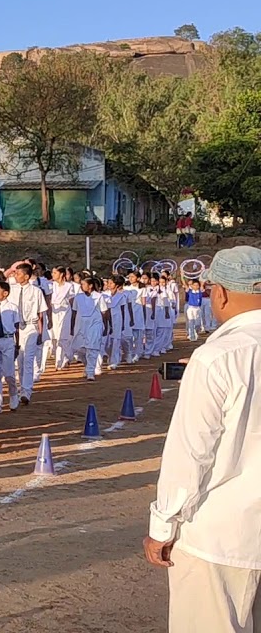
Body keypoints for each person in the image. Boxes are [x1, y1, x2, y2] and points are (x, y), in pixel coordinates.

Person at [145, 245, 261, 632]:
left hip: (220, 535)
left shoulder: (217, 358)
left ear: (221, 293)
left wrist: (162, 525)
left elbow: (190, 454)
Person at [8, 262, 47, 409]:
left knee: (29, 359)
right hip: (16, 328)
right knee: (20, 359)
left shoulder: (36, 291)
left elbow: (40, 313)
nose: (15, 276)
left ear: (26, 276)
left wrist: (41, 332)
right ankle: (22, 387)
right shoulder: (11, 290)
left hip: (31, 326)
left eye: (18, 274)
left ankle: (26, 391)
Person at [0, 281, 21, 417]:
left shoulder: (13, 308)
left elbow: (17, 327)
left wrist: (17, 344)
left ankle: (13, 394)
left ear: (5, 293)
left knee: (9, 373)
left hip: (8, 340)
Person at [68, 276, 110, 381]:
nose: (81, 286)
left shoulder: (99, 296)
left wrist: (106, 326)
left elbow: (104, 312)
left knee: (92, 348)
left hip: (95, 324)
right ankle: (87, 366)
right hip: (81, 325)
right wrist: (72, 327)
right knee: (79, 349)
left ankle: (91, 372)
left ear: (90, 286)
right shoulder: (78, 297)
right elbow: (74, 312)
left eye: (83, 284)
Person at [48, 266, 78, 371]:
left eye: (55, 273)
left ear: (61, 274)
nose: (53, 275)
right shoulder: (52, 285)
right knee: (55, 338)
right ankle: (62, 359)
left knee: (63, 337)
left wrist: (74, 316)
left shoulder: (69, 286)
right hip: (54, 313)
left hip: (65, 313)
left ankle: (62, 360)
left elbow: (71, 301)